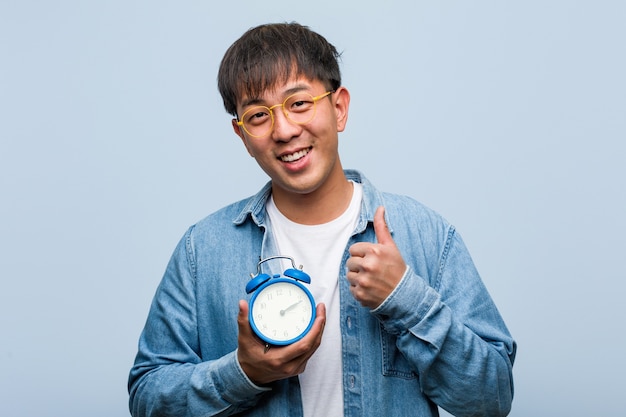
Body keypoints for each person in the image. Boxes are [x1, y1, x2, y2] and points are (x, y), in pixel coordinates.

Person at [128, 22, 516, 417]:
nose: (284, 130)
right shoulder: (203, 250)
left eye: (299, 103)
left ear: (339, 107)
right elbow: (146, 398)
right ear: (242, 135)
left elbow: (492, 400)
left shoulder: (428, 235)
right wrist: (244, 373)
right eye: (259, 115)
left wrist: (405, 298)